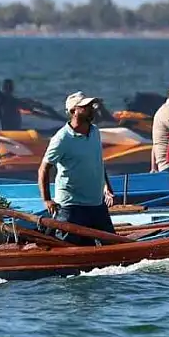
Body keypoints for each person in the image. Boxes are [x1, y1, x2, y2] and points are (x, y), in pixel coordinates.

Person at [38, 91, 116, 245]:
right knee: (70, 248)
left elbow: (98, 161)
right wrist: (46, 199)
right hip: (71, 207)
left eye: (91, 106)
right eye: (86, 107)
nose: (92, 109)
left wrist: (107, 186)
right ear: (73, 111)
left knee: (112, 245)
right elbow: (43, 169)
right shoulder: (61, 139)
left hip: (96, 204)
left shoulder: (95, 132)